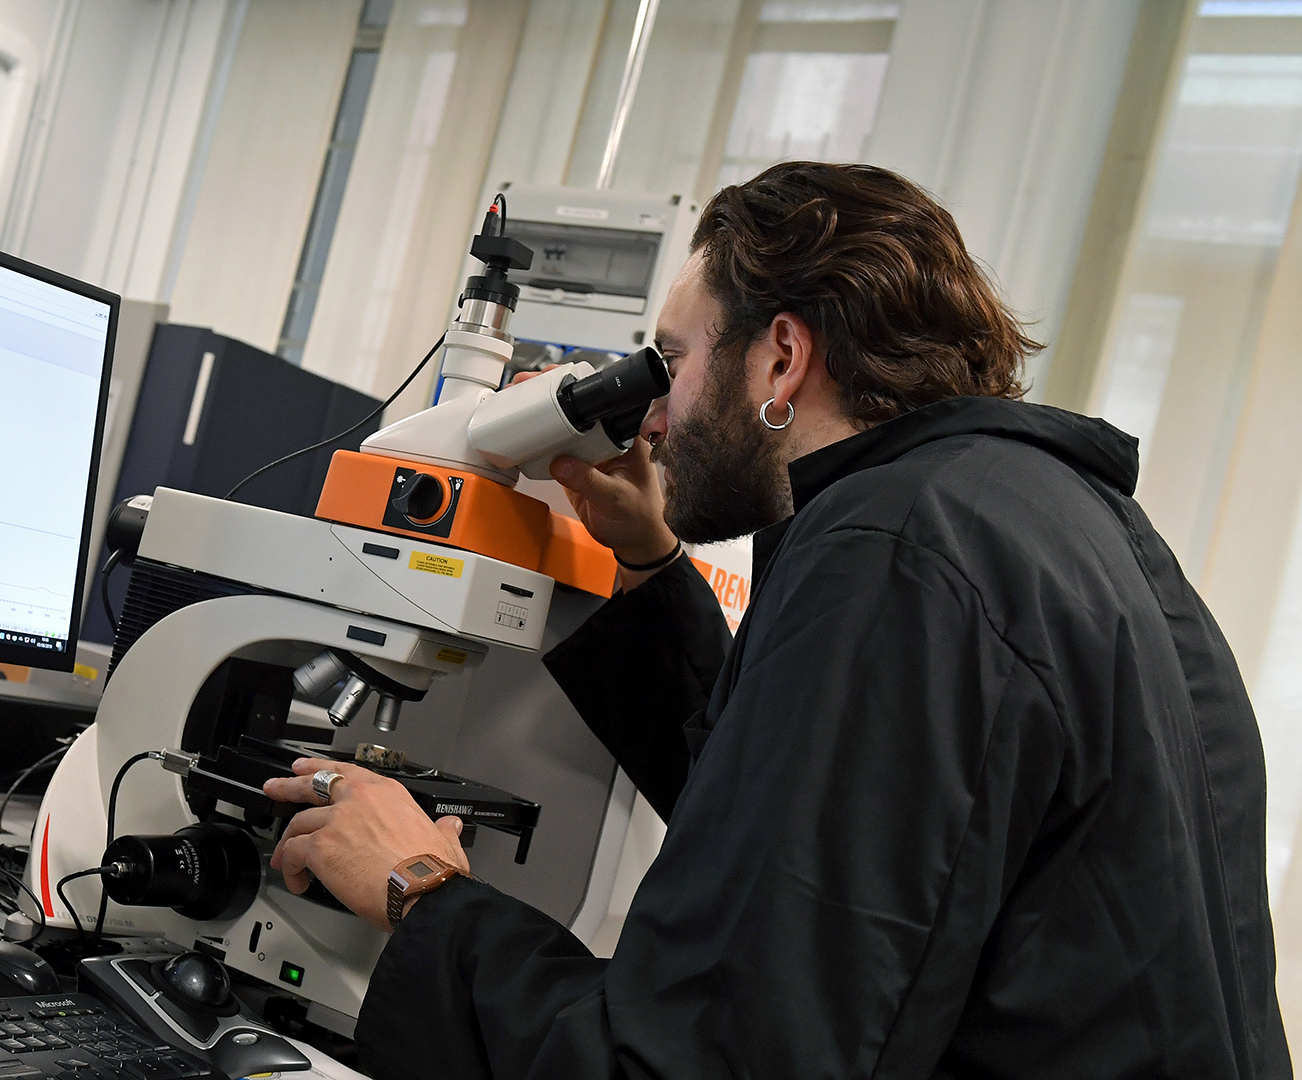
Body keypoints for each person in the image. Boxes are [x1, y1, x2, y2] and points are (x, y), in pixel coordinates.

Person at [260, 161, 1288, 1078]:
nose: (654, 413)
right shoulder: (1045, 515)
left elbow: (700, 1055)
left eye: (673, 361)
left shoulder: (895, 548)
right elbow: (812, 808)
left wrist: (420, 895)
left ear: (783, 356)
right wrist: (649, 556)